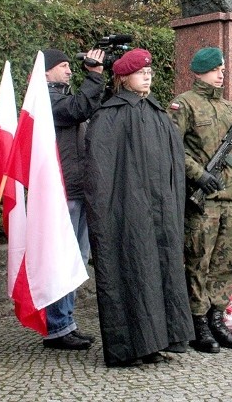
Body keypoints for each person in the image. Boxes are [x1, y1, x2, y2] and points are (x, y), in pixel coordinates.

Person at [84, 49, 195, 366]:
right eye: (140, 72)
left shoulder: (158, 113)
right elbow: (100, 172)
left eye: (149, 71)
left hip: (161, 214)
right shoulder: (111, 116)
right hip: (128, 214)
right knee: (134, 273)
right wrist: (108, 217)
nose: (147, 75)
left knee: (160, 273)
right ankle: (129, 348)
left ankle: (156, 342)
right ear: (122, 78)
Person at [168, 47, 232, 353]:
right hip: (202, 201)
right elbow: (174, 147)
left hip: (228, 199)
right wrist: (199, 175)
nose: (221, 74)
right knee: (197, 261)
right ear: (201, 71)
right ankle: (197, 323)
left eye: (223, 70)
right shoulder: (184, 105)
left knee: (224, 264)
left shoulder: (230, 109)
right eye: (216, 69)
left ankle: (218, 319)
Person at [41, 47, 106, 350]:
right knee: (62, 260)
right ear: (46, 71)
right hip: (62, 192)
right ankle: (57, 327)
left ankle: (66, 322)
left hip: (77, 190)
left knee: (76, 260)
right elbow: (78, 109)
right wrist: (94, 75)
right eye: (63, 66)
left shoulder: (63, 96)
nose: (69, 70)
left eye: (70, 65)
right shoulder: (45, 99)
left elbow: (87, 107)